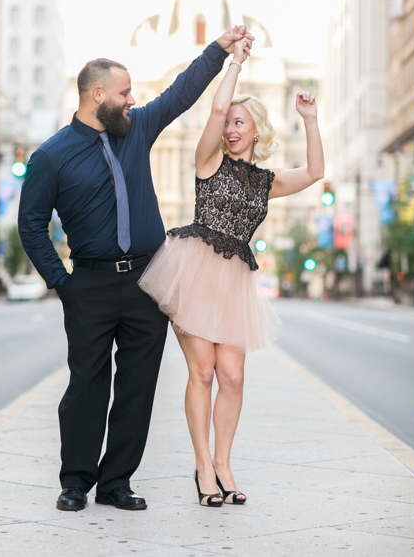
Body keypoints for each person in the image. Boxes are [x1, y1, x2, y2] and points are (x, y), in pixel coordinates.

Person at [19, 25, 253, 512]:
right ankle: (77, 481)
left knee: (138, 386)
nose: (132, 100)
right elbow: (32, 227)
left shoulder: (138, 128)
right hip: (91, 283)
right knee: (86, 384)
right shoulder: (51, 157)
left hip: (150, 279)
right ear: (97, 94)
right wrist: (63, 284)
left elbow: (182, 93)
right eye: (124, 93)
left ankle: (116, 482)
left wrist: (220, 51)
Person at [137, 33, 324, 507]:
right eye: (229, 123)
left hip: (235, 280)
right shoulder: (208, 161)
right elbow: (215, 111)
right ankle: (202, 466)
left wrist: (310, 119)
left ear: (256, 130)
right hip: (193, 273)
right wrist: (234, 65)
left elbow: (315, 173)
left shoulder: (266, 182)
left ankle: (224, 462)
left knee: (233, 376)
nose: (232, 128)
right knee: (202, 373)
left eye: (241, 123)